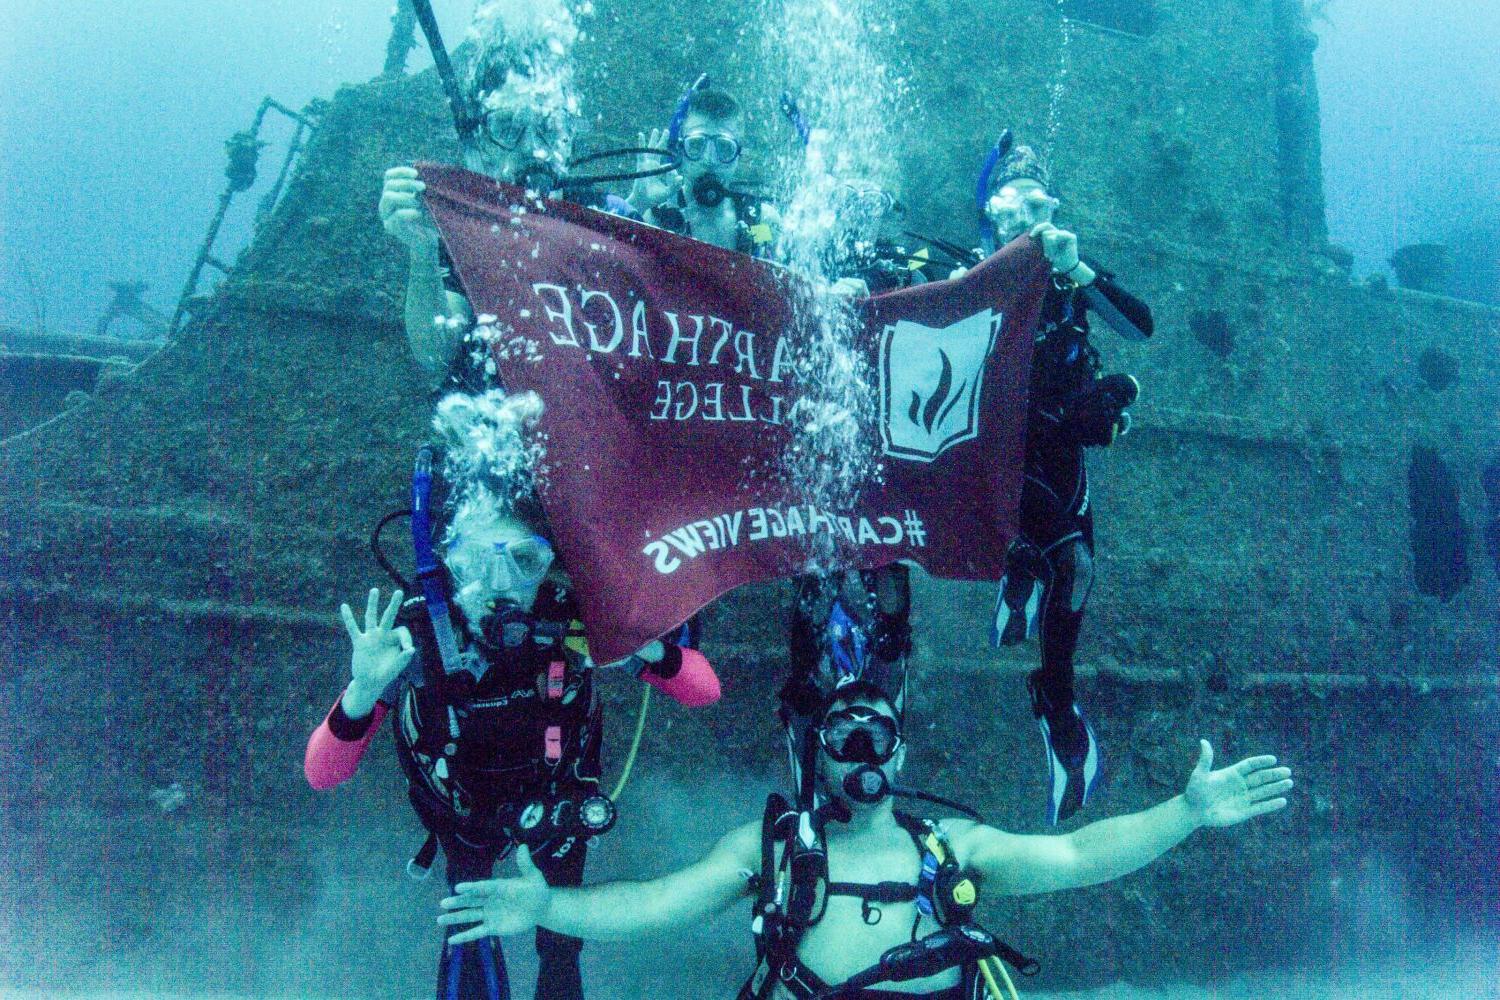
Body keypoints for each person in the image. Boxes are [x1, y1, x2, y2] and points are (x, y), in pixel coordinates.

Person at [435, 680, 1293, 999]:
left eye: (875, 735)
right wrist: (549, 905)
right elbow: (657, 903)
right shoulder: (769, 851)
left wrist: (1182, 814)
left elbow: (1074, 858)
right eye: (841, 738)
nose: (860, 753)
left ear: (899, 751)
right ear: (817, 757)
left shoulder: (951, 848)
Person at [305, 470, 721, 1000]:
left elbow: (703, 689)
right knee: (471, 935)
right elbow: (322, 773)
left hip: (556, 804)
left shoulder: (574, 623)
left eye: (524, 561)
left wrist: (643, 645)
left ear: (549, 566)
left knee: (562, 947)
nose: (500, 583)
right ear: (449, 565)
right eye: (477, 561)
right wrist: (364, 690)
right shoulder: (417, 638)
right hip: (463, 812)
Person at [963, 141, 1155, 826]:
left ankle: (1049, 673)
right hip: (998, 456)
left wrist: (1078, 266)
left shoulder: (1070, 279)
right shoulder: (967, 276)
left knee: (1079, 566)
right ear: (989, 215)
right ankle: (1025, 599)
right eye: (1013, 206)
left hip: (1059, 450)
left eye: (1039, 205)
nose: (1027, 221)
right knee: (1057, 555)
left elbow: (1141, 324)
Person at [627, 79, 779, 258]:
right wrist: (635, 204)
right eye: (697, 145)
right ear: (681, 150)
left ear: (739, 155)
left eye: (724, 148)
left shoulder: (760, 223)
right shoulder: (656, 220)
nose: (709, 160)